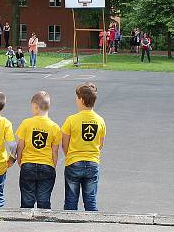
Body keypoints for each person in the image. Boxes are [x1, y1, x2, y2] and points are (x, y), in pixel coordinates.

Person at [61, 83, 106, 211]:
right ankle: (92, 226)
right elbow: (100, 144)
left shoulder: (71, 120)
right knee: (90, 199)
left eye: (77, 97)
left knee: (71, 199)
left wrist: (69, 155)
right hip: (92, 162)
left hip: (74, 162)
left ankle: (69, 225)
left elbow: (64, 143)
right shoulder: (100, 120)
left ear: (81, 99)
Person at [16, 91, 61, 209]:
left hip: (28, 164)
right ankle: (44, 223)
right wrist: (53, 164)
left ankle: (25, 222)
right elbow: (55, 150)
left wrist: (20, 160)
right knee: (44, 199)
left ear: (35, 106)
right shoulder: (54, 127)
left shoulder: (26, 123)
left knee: (27, 199)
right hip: (47, 165)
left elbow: (20, 145)